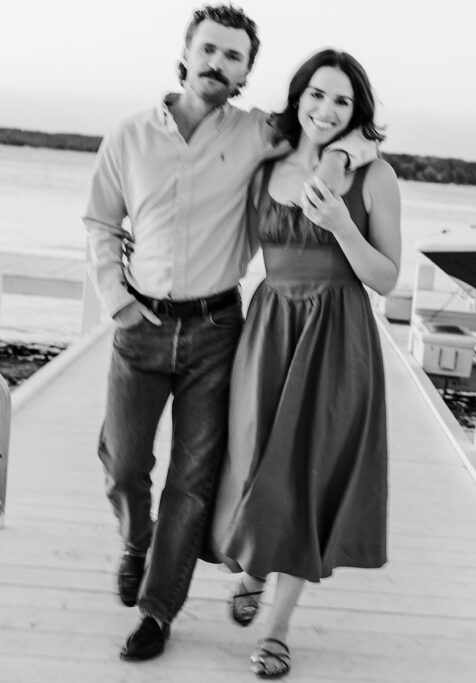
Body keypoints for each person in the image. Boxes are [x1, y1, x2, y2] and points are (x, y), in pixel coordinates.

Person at [83, 5, 376, 662]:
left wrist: (352, 151)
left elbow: (332, 123)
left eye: (234, 56)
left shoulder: (256, 133)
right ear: (186, 52)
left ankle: (158, 611)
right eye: (209, 49)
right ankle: (137, 539)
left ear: (246, 72)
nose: (218, 63)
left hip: (219, 329)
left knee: (192, 477)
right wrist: (117, 302)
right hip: (140, 328)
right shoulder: (127, 137)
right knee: (123, 465)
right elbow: (100, 224)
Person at [207, 49, 400, 679]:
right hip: (268, 328)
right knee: (255, 462)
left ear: (356, 112)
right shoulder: (266, 166)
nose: (325, 109)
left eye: (341, 100)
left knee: (308, 478)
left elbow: (387, 279)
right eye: (316, 94)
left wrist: (344, 226)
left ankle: (278, 626)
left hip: (337, 337)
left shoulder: (376, 179)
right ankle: (254, 568)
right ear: (298, 97)